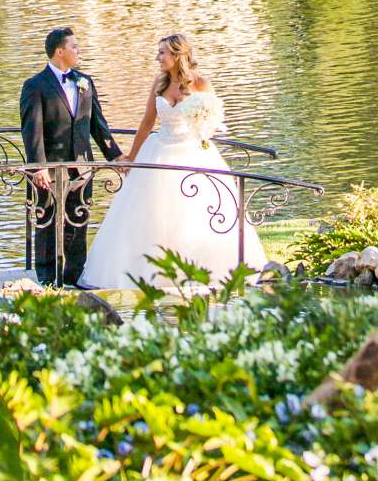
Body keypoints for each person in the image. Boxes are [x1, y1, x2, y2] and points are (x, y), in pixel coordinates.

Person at [81, 33, 265, 293]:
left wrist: (202, 128)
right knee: (150, 214)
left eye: (162, 53)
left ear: (177, 55)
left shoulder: (201, 83)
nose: (158, 57)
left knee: (193, 214)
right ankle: (150, 272)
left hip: (191, 152)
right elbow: (147, 122)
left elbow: (212, 121)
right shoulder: (159, 82)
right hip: (158, 151)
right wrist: (131, 157)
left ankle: (199, 269)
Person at [19, 25, 121, 285]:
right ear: (60, 51)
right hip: (50, 168)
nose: (78, 50)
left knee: (79, 220)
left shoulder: (85, 82)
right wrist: (38, 168)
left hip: (82, 165)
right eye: (74, 46)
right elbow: (32, 131)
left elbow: (97, 124)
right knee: (48, 221)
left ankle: (75, 276)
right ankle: (47, 278)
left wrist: (115, 157)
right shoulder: (35, 86)